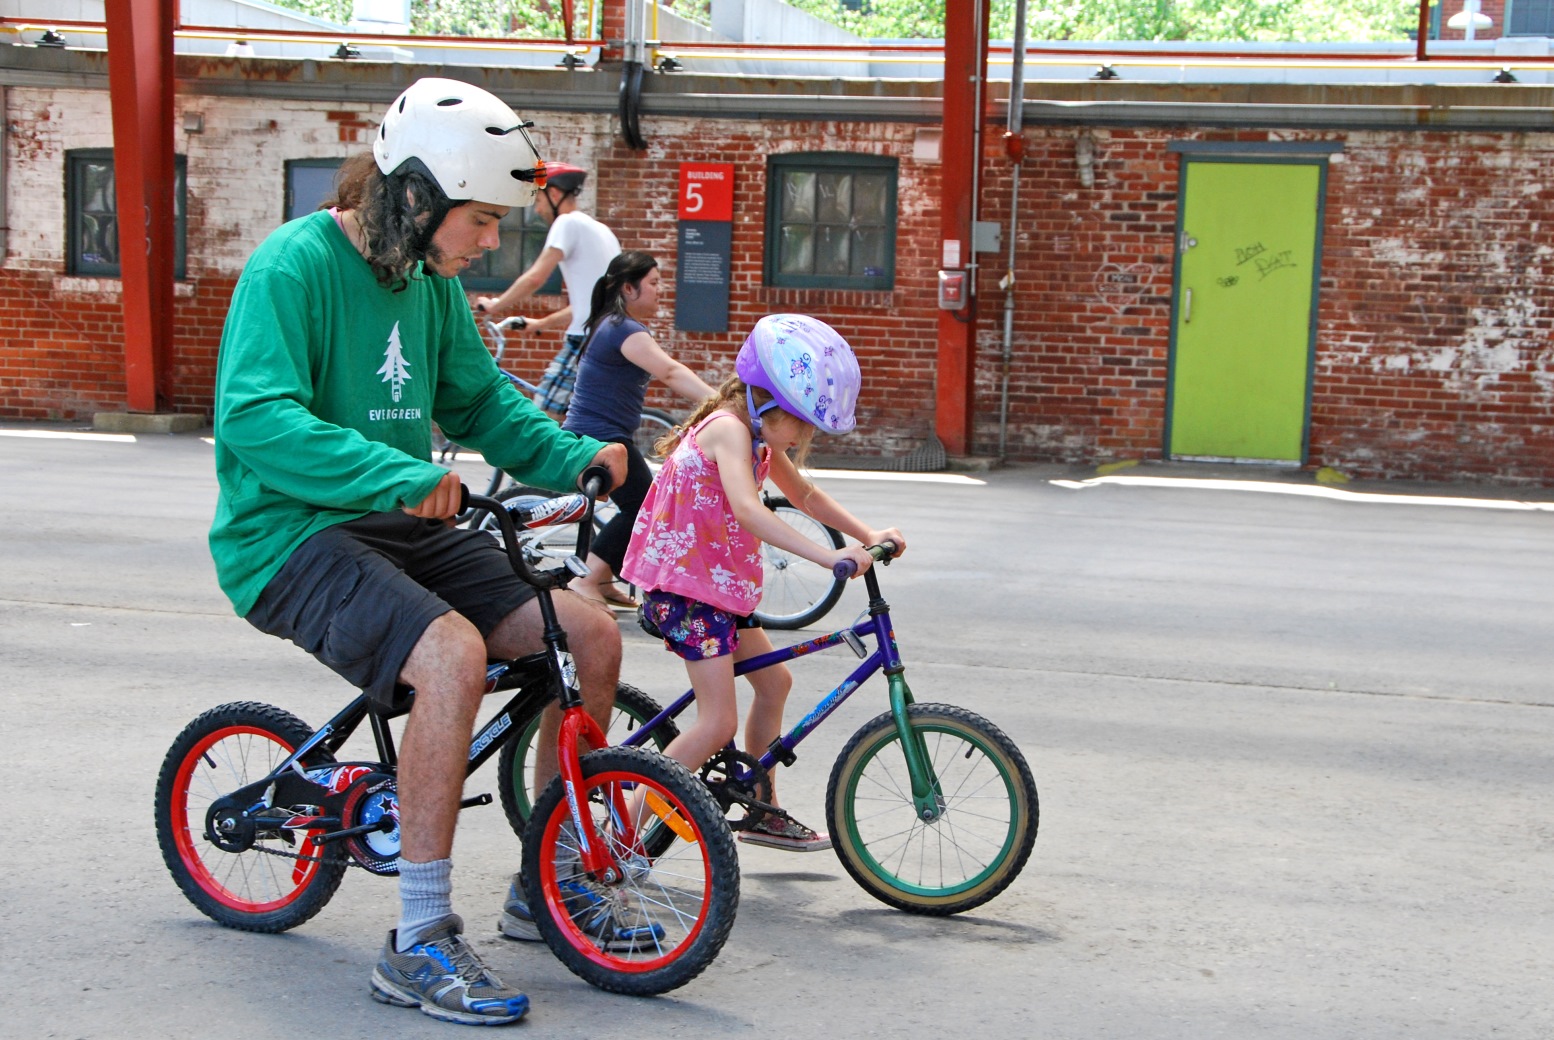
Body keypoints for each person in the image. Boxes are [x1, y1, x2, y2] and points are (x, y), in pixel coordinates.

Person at [209, 78, 631, 1027]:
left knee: (591, 637)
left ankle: (553, 885)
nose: (491, 243)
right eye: (479, 221)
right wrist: (390, 475)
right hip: (289, 533)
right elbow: (256, 420)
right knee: (453, 655)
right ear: (413, 196)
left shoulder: (430, 287)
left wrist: (580, 457)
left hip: (401, 524)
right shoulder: (293, 269)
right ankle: (421, 938)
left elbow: (479, 405)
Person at [620, 314, 906, 850]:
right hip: (687, 591)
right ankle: (621, 831)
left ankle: (759, 809)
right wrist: (828, 557)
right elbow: (750, 511)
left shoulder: (756, 437)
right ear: (763, 400)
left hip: (717, 587)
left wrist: (869, 534)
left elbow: (807, 497)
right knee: (716, 723)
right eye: (800, 421)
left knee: (775, 683)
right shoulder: (728, 429)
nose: (805, 435)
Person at [560, 250, 716, 609]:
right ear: (629, 289)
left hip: (603, 433)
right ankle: (586, 579)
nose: (661, 290)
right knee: (647, 507)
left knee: (642, 505)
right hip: (599, 436)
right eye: (654, 283)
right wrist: (722, 402)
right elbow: (670, 372)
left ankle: (601, 577)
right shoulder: (622, 328)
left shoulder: (613, 324)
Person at [473, 161, 619, 420]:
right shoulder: (603, 231)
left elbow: (535, 277)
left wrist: (495, 305)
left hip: (585, 341)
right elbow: (586, 304)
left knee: (543, 414)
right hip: (606, 338)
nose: (538, 210)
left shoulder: (567, 223)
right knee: (578, 418)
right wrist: (540, 323)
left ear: (553, 194)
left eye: (537, 200)